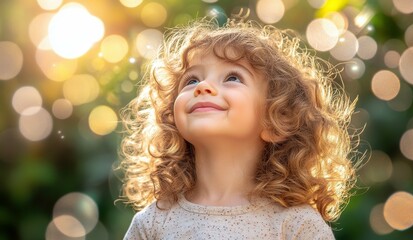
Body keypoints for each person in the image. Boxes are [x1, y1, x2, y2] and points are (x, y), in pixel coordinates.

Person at [119, 17, 359, 239]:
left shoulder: (297, 225)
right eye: (191, 80)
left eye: (233, 77)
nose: (203, 86)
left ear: (278, 119)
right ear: (171, 117)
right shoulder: (153, 223)